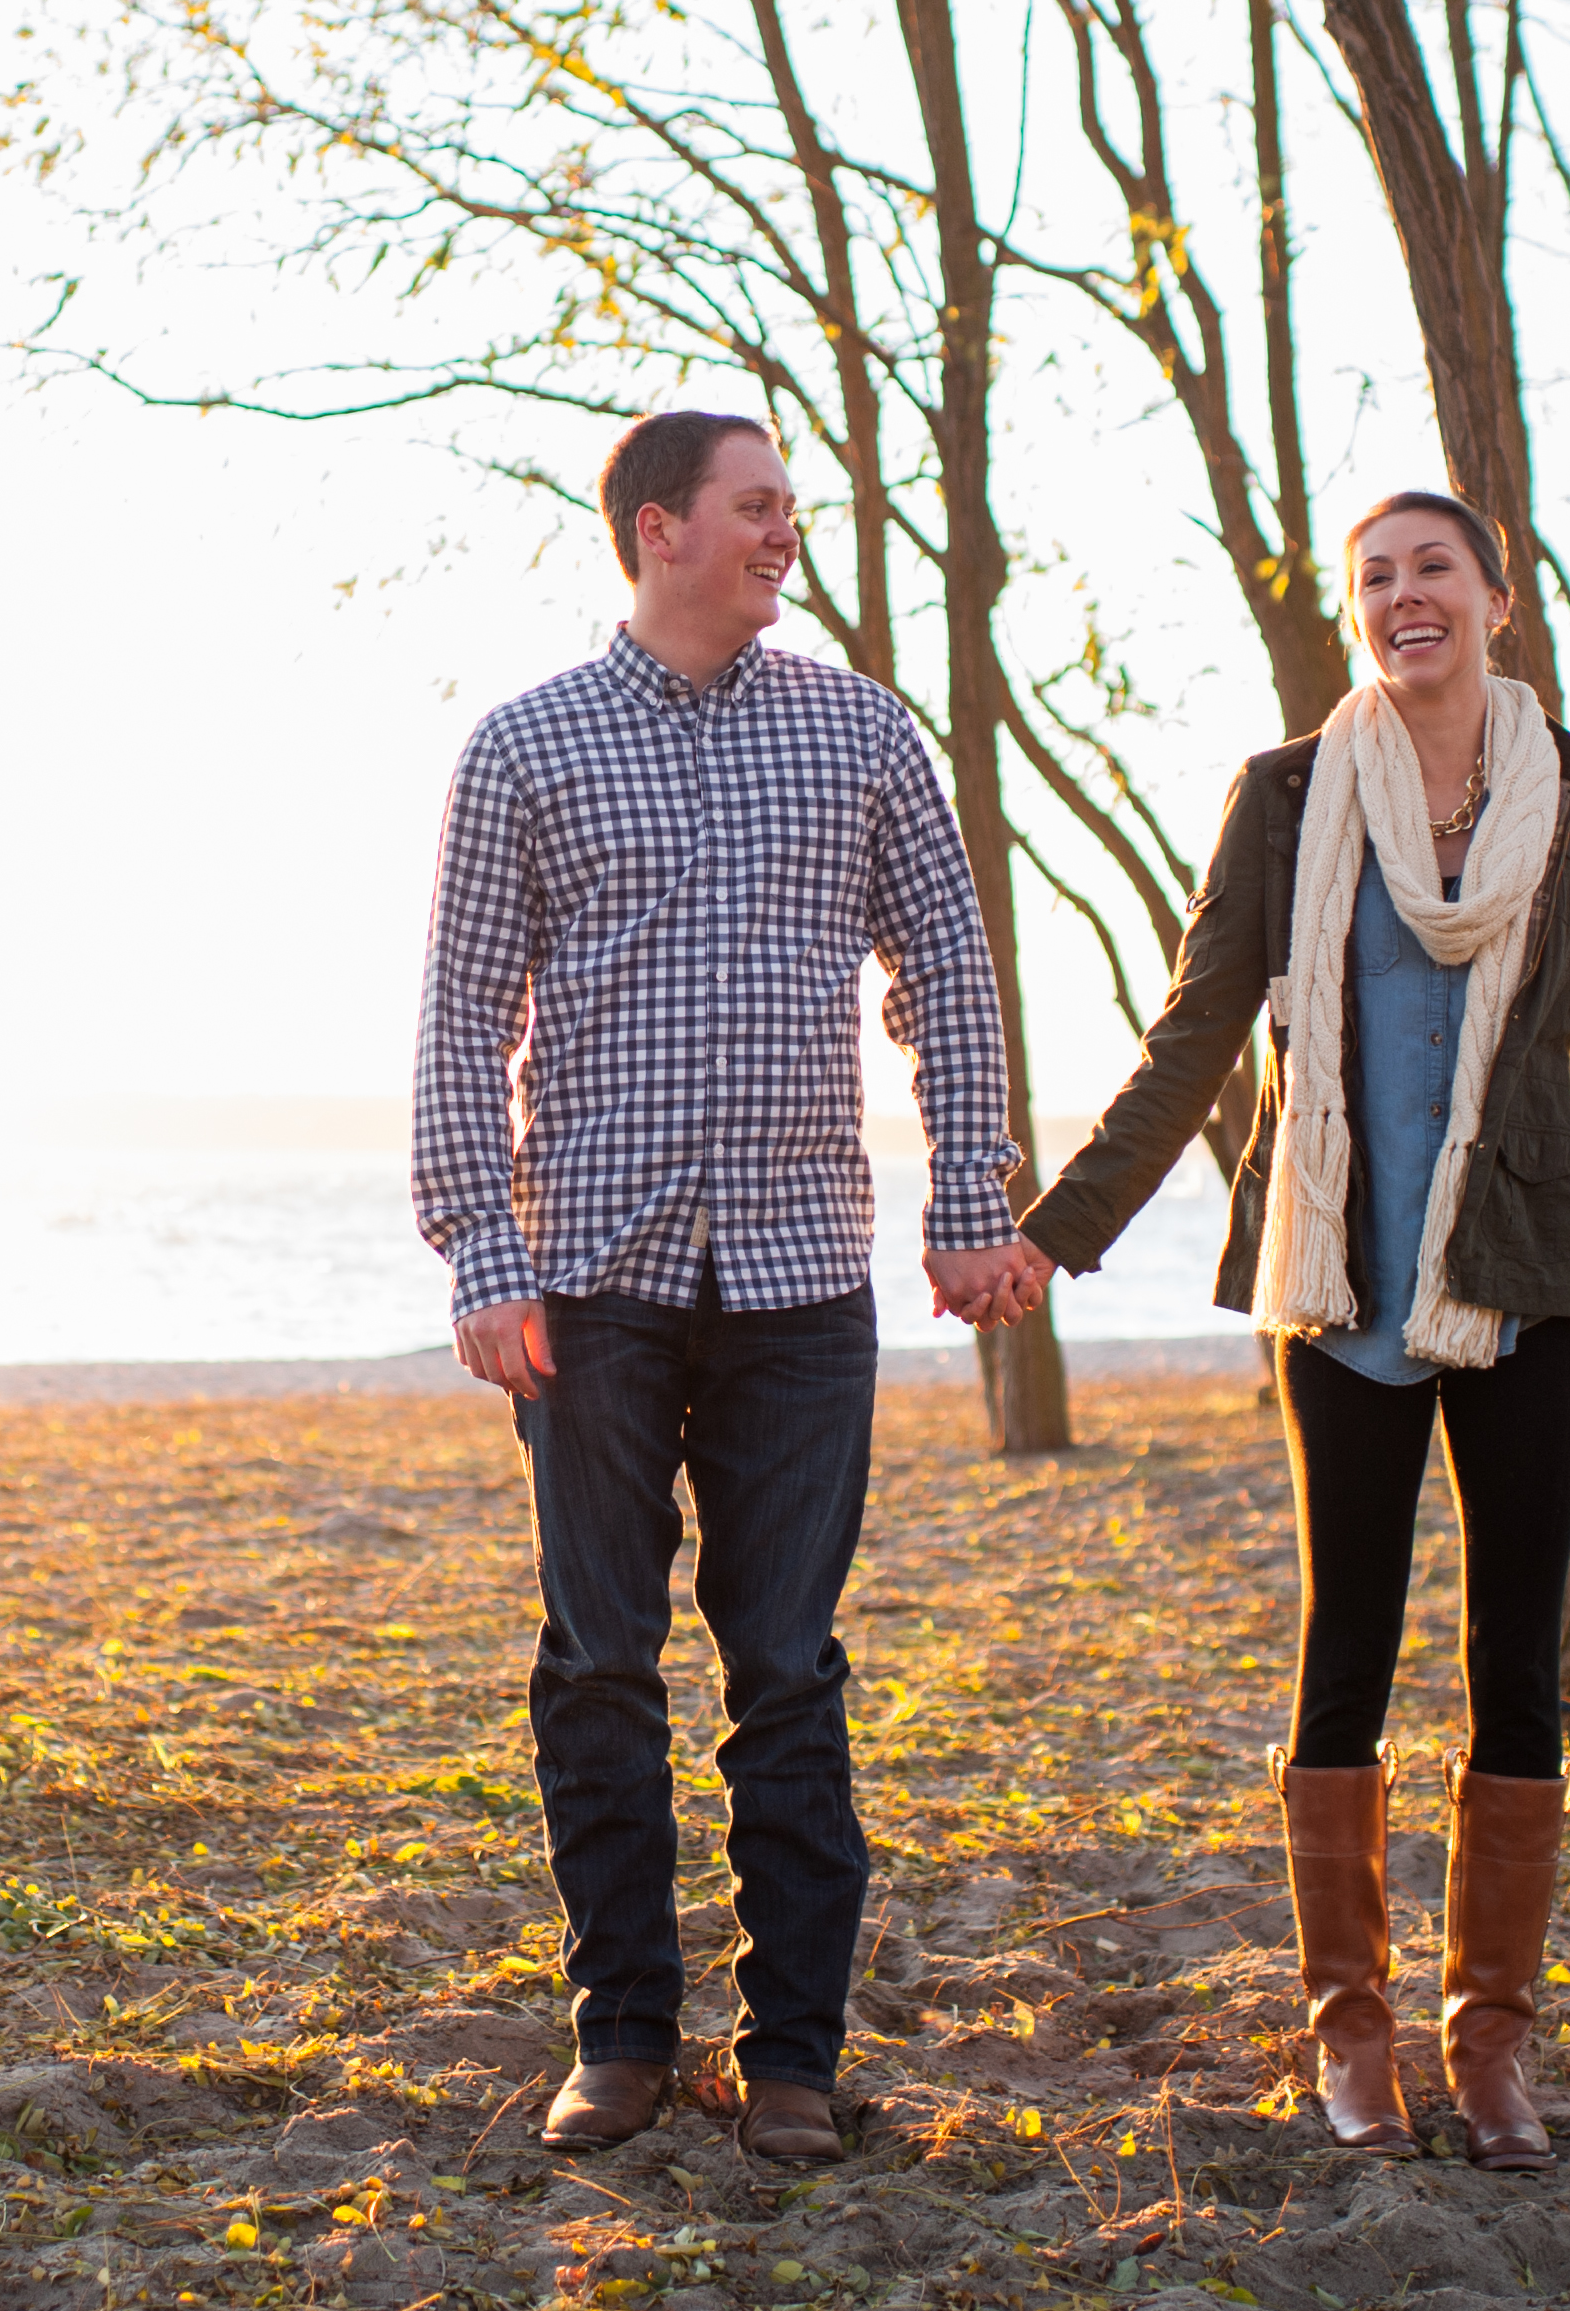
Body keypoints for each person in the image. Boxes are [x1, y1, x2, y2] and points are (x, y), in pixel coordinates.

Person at [989, 490, 1570, 2173]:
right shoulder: (1287, 797)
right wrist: (1056, 1233)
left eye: (1435, 569)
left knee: (1515, 1663)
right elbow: (1199, 1031)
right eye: (1376, 578)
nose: (1402, 596)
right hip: (1340, 1282)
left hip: (1538, 1286)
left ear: (1499, 598)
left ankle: (1491, 2041)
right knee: (1344, 1649)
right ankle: (1351, 2030)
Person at [412, 412, 1045, 2166]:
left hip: (795, 1282)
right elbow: (466, 1020)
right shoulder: (525, 748)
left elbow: (950, 969)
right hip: (589, 1283)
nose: (786, 534)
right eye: (759, 507)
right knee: (598, 1666)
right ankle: (618, 2036)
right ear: (657, 526)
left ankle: (792, 2056)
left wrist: (966, 1193)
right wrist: (482, 1250)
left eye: (791, 509)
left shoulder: (858, 731)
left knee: (787, 1669)